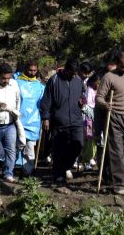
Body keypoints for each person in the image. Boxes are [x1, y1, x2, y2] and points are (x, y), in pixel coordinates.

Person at [95, 52, 124, 195]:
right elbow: (99, 97)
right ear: (117, 64)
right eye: (123, 67)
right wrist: (105, 105)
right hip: (115, 117)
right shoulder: (109, 77)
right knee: (117, 153)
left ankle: (112, 174)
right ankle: (120, 184)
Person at [41, 58, 85, 186]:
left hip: (76, 119)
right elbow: (46, 100)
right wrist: (45, 117)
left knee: (78, 145)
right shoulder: (54, 80)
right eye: (72, 72)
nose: (74, 75)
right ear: (66, 69)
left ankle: (65, 166)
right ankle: (58, 175)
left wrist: (82, 102)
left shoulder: (78, 81)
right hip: (59, 120)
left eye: (76, 73)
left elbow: (81, 96)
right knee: (59, 149)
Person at [16, 60, 45, 175]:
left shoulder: (40, 86)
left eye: (34, 70)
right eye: (30, 70)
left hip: (33, 121)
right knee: (15, 146)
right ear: (25, 69)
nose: (32, 73)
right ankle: (12, 169)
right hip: (18, 119)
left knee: (29, 148)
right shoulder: (16, 83)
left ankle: (27, 172)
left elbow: (43, 103)